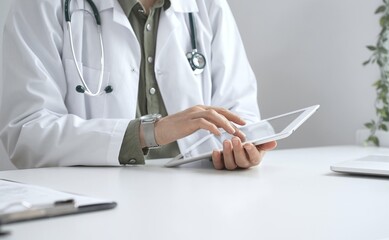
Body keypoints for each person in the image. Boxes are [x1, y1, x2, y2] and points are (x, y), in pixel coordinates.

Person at [0, 0, 276, 170]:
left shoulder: (207, 6)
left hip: (199, 196)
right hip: (94, 201)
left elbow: (241, 114)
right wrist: (147, 133)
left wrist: (241, 150)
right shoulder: (42, 5)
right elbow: (27, 132)